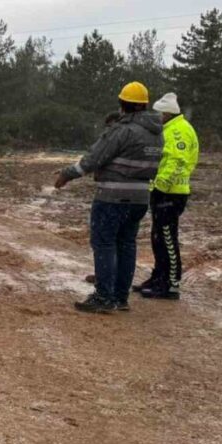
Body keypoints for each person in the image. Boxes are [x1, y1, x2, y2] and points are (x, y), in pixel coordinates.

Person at [55, 82, 163, 313]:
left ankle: (104, 297)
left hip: (113, 197)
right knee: (126, 245)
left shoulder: (123, 130)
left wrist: (67, 174)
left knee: (104, 244)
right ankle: (120, 298)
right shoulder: (156, 134)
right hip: (140, 198)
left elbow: (94, 158)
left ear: (123, 104)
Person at [135, 93, 199, 299]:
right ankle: (158, 276)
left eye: (159, 113)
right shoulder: (172, 128)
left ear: (167, 113)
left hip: (170, 193)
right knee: (158, 237)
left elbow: (176, 161)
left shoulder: (178, 131)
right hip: (166, 191)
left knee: (167, 239)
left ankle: (171, 283)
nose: (157, 116)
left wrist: (160, 187)